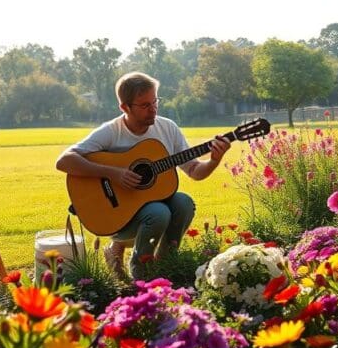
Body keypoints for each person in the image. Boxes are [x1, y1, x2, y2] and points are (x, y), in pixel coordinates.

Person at [56, 72, 230, 279]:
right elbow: (64, 161)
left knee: (184, 203)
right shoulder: (112, 131)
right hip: (115, 217)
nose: (153, 108)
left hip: (146, 208)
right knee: (158, 212)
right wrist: (114, 173)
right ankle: (141, 275)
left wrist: (214, 160)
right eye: (145, 105)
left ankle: (165, 267)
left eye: (155, 101)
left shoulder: (167, 128)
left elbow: (194, 170)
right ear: (125, 107)